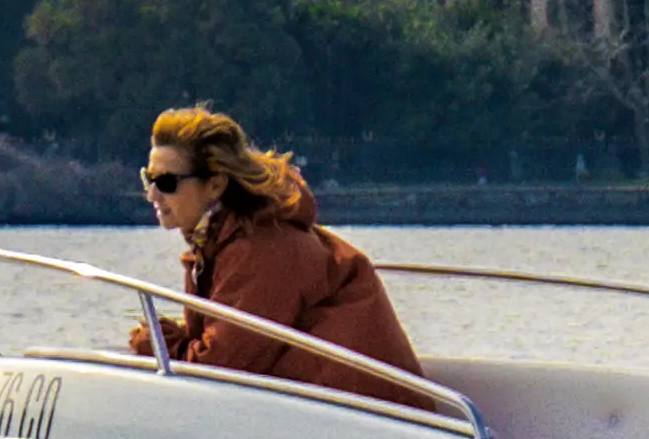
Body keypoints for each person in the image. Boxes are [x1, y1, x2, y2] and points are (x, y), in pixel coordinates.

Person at [134, 106, 432, 406]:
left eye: (167, 183)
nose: (152, 195)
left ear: (215, 185)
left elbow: (220, 368)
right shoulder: (222, 244)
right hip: (336, 413)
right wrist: (173, 338)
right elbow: (234, 347)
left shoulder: (262, 249)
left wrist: (158, 343)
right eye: (149, 179)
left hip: (375, 425)